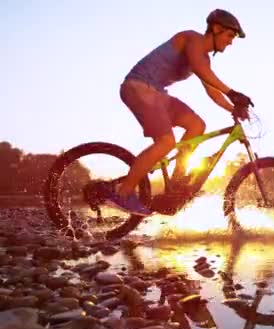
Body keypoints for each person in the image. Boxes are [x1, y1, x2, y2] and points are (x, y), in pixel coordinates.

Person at [103, 8, 254, 216]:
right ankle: (123, 192)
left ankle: (176, 184)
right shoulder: (192, 39)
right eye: (229, 36)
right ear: (216, 29)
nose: (230, 42)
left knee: (197, 125)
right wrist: (233, 92)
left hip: (157, 94)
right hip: (138, 87)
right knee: (166, 141)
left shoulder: (204, 59)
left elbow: (213, 92)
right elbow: (202, 71)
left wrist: (233, 108)